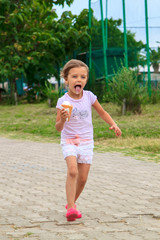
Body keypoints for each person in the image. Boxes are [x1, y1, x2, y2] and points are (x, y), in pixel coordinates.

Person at [55, 59, 121, 221]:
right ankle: (71, 208)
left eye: (83, 77)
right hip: (69, 140)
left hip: (86, 142)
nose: (79, 80)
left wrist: (113, 123)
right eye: (74, 76)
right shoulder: (63, 102)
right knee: (72, 171)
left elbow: (102, 112)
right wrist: (63, 119)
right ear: (66, 79)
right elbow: (58, 127)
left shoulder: (89, 96)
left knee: (83, 178)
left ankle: (72, 203)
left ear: (86, 80)